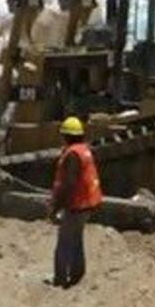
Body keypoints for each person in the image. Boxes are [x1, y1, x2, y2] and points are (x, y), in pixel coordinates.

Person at [47, 116, 103, 288]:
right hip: (88, 203)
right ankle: (77, 274)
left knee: (64, 242)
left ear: (65, 136)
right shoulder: (83, 150)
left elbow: (69, 184)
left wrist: (56, 207)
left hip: (77, 205)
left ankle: (60, 278)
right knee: (76, 239)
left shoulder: (72, 155)